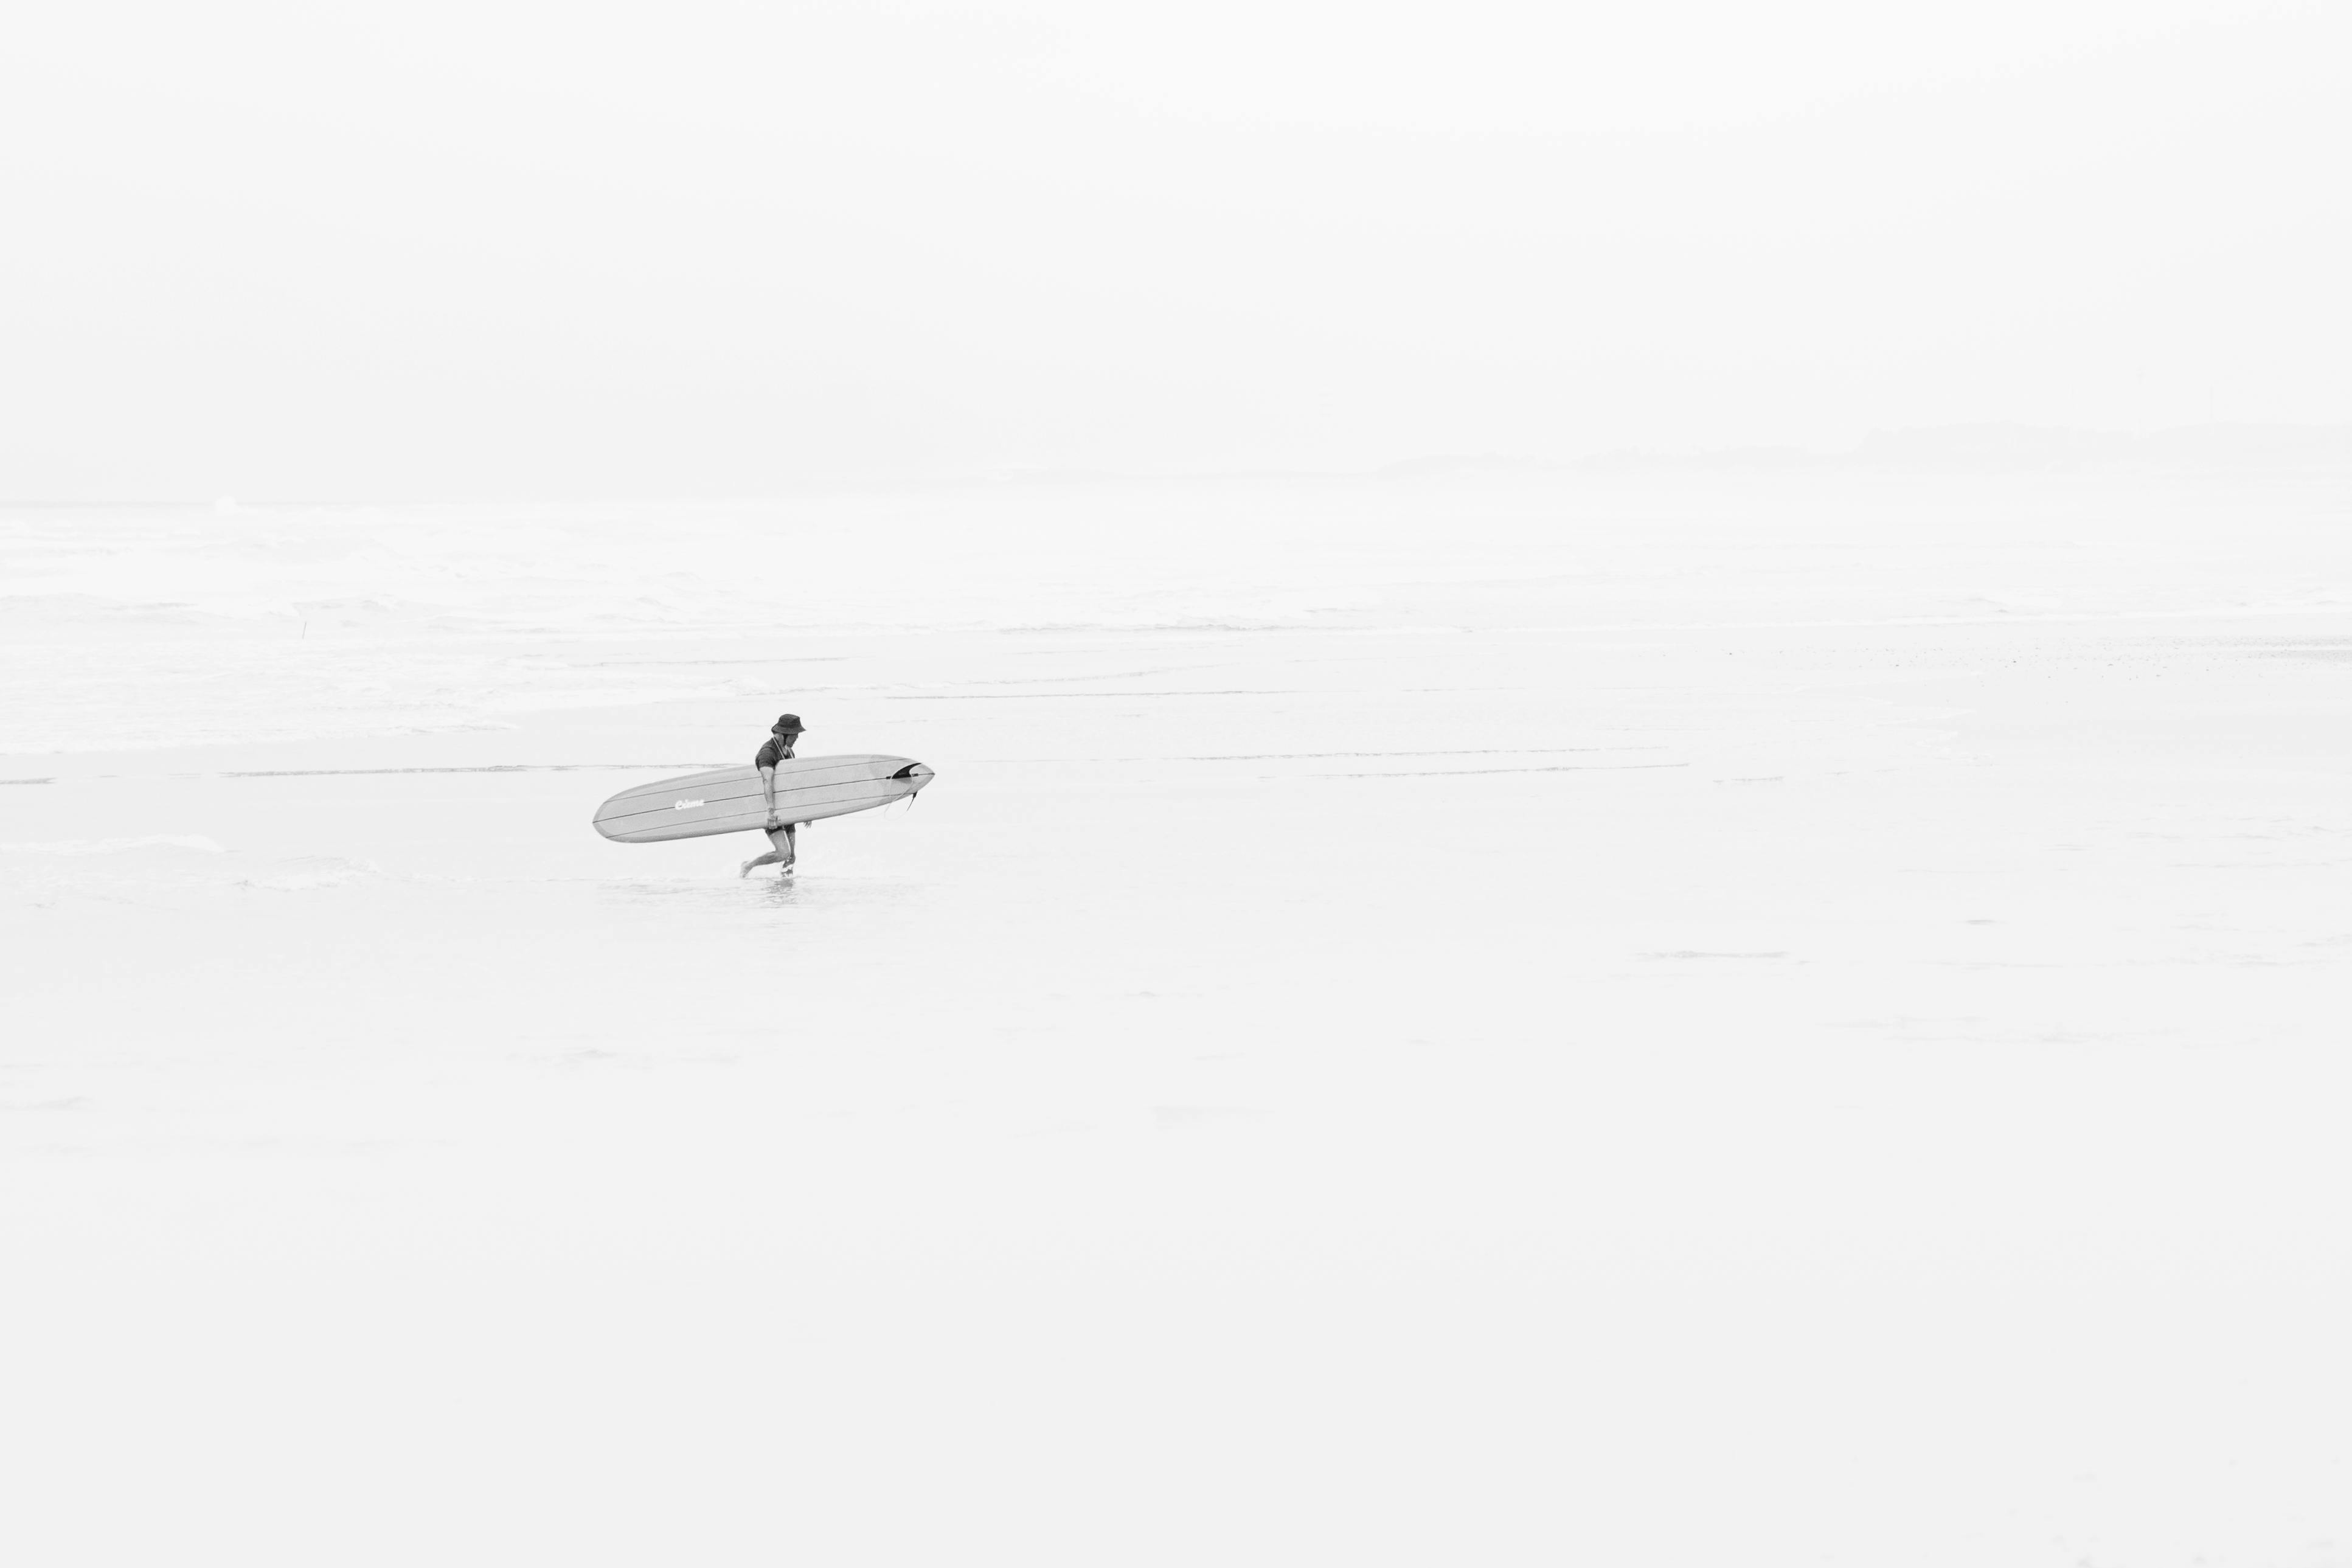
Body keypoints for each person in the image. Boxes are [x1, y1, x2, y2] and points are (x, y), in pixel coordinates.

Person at [739, 713, 806, 878]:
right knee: (783, 853)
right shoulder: (768, 753)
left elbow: (791, 783)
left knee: (791, 857)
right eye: (795, 734)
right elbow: (767, 780)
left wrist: (807, 810)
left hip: (786, 809)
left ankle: (786, 887)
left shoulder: (789, 751)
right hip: (772, 809)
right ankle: (749, 865)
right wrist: (770, 810)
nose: (797, 737)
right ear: (785, 734)